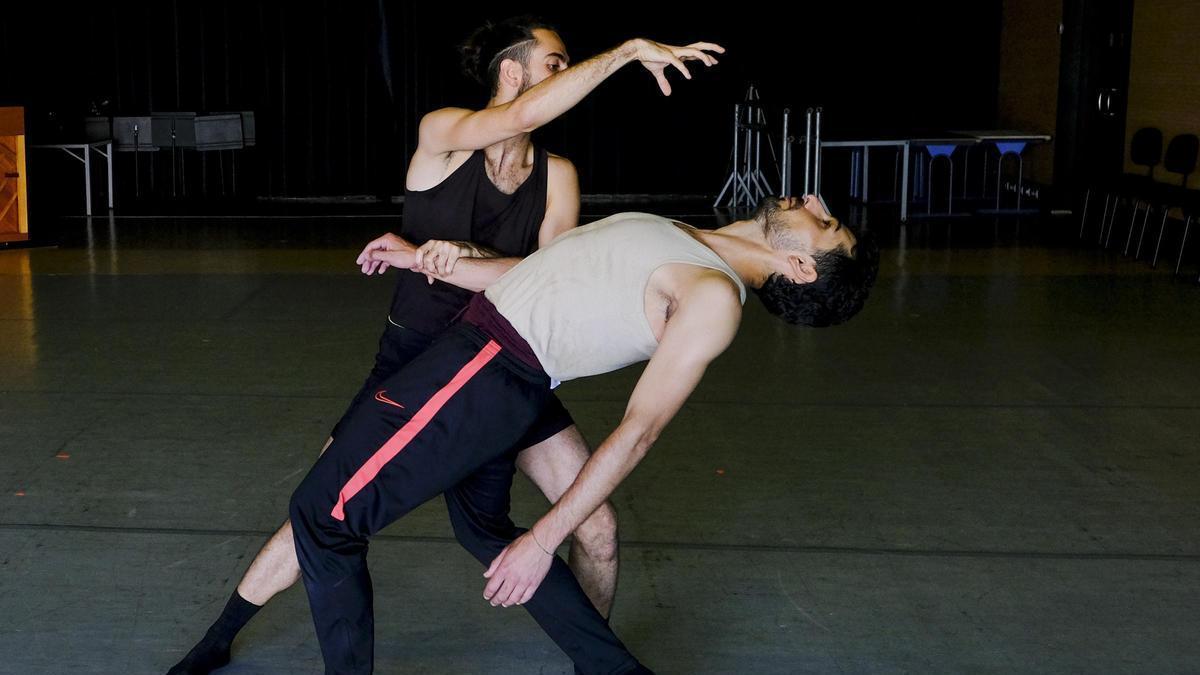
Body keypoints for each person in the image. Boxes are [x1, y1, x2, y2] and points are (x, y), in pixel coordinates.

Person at [167, 15, 724, 675]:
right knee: (319, 511)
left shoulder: (560, 176)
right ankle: (218, 637)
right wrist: (626, 52)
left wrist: (459, 258)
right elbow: (518, 122)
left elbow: (550, 279)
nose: (566, 74)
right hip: (415, 360)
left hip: (510, 362)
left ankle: (593, 660)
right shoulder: (444, 136)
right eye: (555, 63)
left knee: (596, 526)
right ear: (512, 74)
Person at [288, 195, 880, 673]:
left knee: (321, 516)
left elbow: (640, 429)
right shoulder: (687, 234)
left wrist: (545, 541)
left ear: (801, 268)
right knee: (482, 530)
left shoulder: (713, 296)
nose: (814, 201)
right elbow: (541, 273)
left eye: (824, 223)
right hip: (481, 354)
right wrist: (420, 260)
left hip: (484, 371)